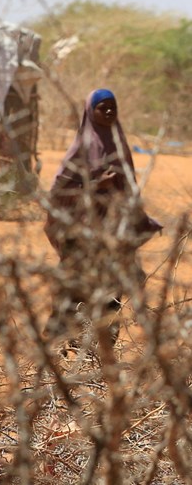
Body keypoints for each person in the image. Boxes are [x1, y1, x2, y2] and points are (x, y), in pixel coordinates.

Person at [43, 88, 161, 349]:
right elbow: (58, 193)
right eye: (102, 107)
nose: (108, 112)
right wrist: (96, 185)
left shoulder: (120, 146)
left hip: (113, 234)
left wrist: (140, 219)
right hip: (81, 234)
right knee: (75, 290)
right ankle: (62, 349)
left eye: (112, 107)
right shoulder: (82, 147)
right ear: (90, 111)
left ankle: (103, 348)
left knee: (110, 293)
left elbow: (130, 189)